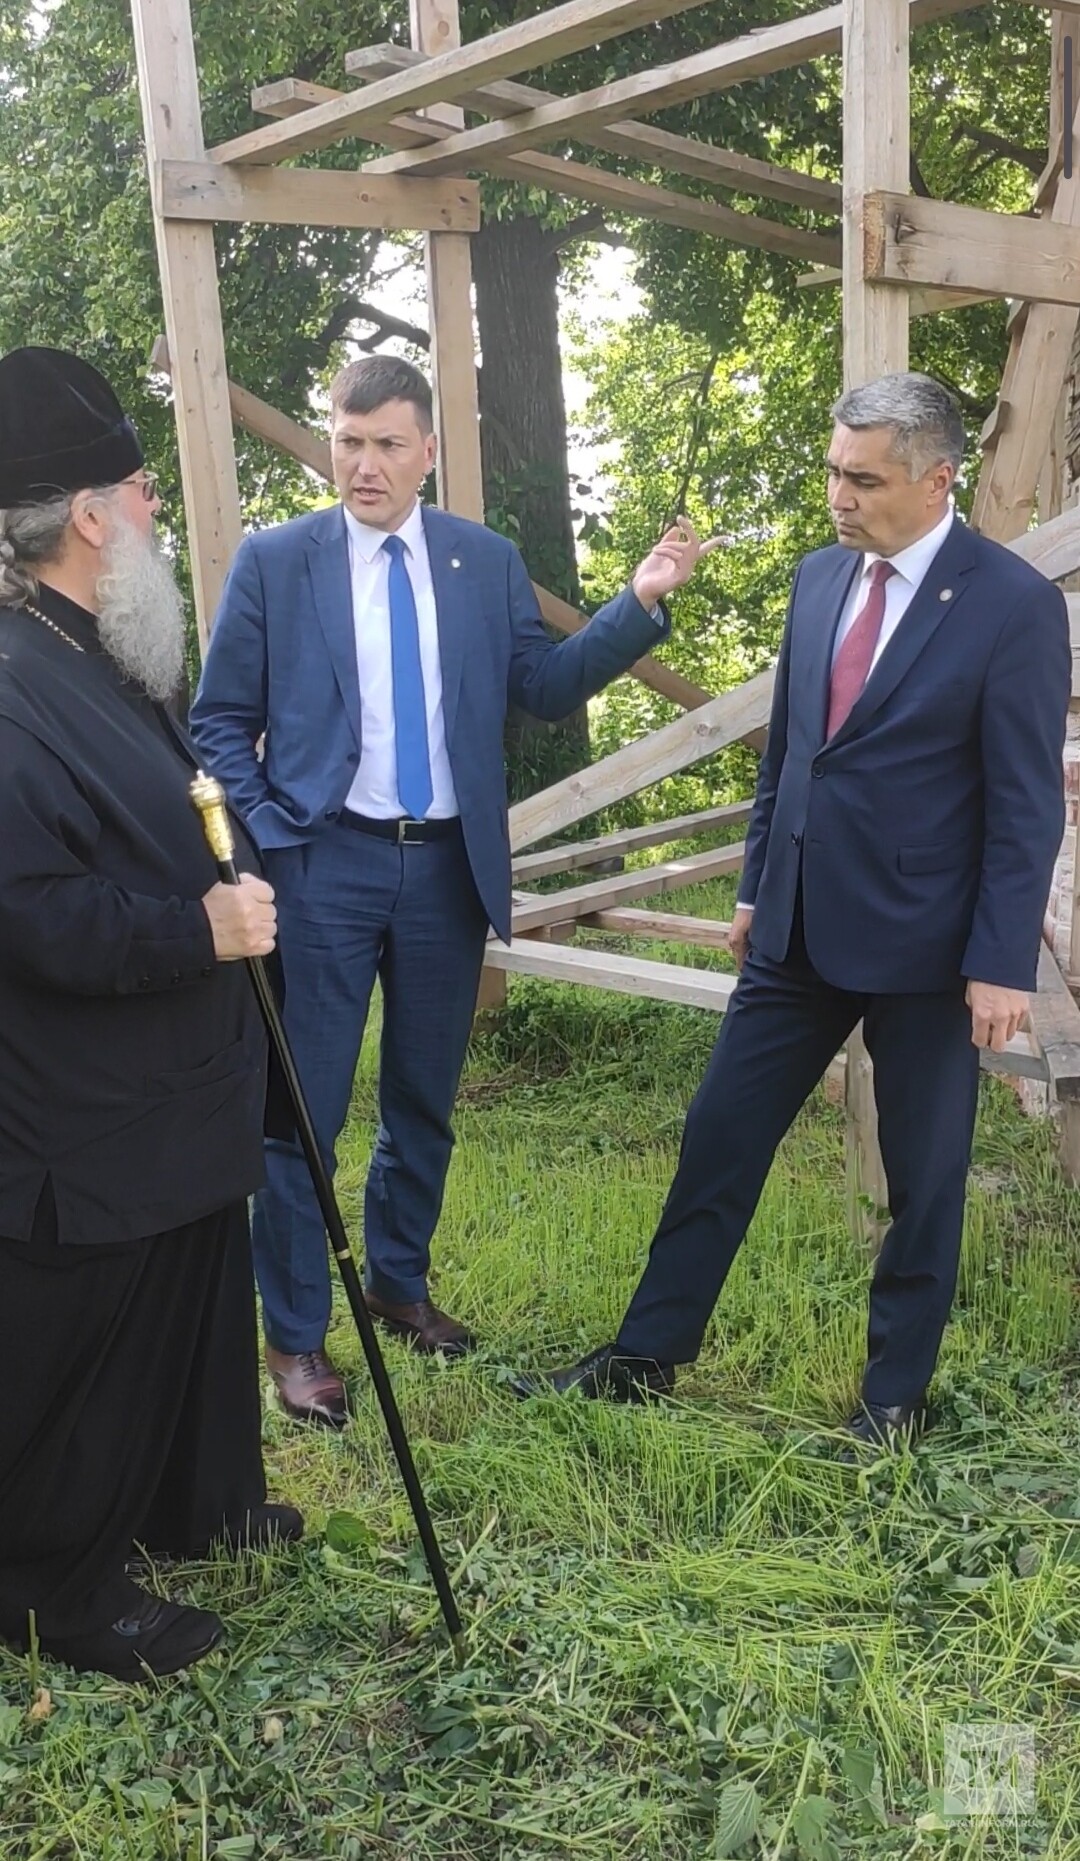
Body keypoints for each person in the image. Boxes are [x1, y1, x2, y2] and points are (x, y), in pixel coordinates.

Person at [516, 371, 1071, 1451]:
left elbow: (1023, 803)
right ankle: (644, 1357)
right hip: (796, 934)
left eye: (864, 480)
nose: (839, 496)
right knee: (718, 1138)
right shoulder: (820, 578)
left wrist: (1001, 959)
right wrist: (755, 885)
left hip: (928, 948)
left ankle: (891, 1401)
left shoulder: (1011, 604)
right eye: (833, 472)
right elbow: (792, 753)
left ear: (937, 479)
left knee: (924, 1183)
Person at [190, 354, 716, 1427]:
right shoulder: (277, 561)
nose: (363, 463)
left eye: (387, 443)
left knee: (423, 1101)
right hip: (323, 867)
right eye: (347, 440)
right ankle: (296, 1335)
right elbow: (217, 722)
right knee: (302, 1113)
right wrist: (275, 831)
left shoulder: (482, 561)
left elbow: (543, 687)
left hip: (445, 871)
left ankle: (398, 1283)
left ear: (427, 451)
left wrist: (638, 603)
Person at [0, 346, 301, 1680]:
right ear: (85, 515)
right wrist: (198, 929)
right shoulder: (12, 681)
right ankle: (56, 1588)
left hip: (175, 1079)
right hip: (85, 1102)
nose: (155, 506)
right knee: (96, 1345)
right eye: (138, 488)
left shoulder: (109, 642)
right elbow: (26, 908)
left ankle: (199, 1503)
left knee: (196, 1299)